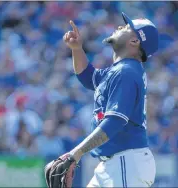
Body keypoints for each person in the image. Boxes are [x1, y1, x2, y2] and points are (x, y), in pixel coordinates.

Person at [62, 12, 159, 187]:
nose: (121, 26)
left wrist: (76, 153)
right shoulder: (121, 70)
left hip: (126, 162)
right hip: (117, 163)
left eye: (128, 27)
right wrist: (77, 49)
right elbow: (88, 77)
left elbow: (114, 121)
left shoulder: (126, 72)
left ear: (135, 41)